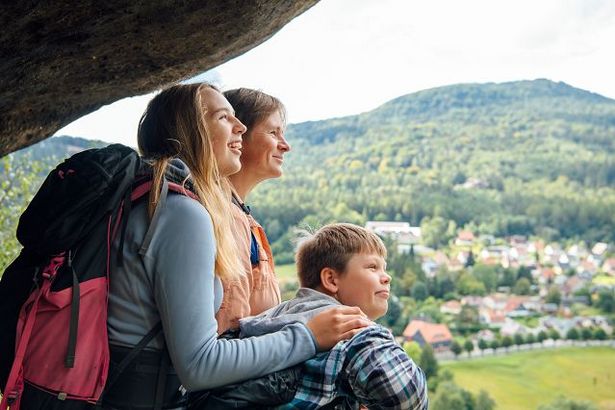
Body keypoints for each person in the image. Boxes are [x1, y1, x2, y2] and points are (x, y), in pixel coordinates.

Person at [98, 83, 371, 409]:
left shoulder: (157, 203)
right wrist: (309, 336)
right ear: (193, 130)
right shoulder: (183, 214)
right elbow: (201, 364)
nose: (239, 126)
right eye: (224, 117)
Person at [203, 223, 429, 409]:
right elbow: (409, 397)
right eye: (373, 267)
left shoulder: (274, 318)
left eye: (384, 268)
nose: (386, 277)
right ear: (331, 280)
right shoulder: (350, 330)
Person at [212, 87, 290, 333]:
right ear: (237, 135)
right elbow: (227, 330)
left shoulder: (240, 215)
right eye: (273, 132)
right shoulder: (225, 217)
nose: (285, 145)